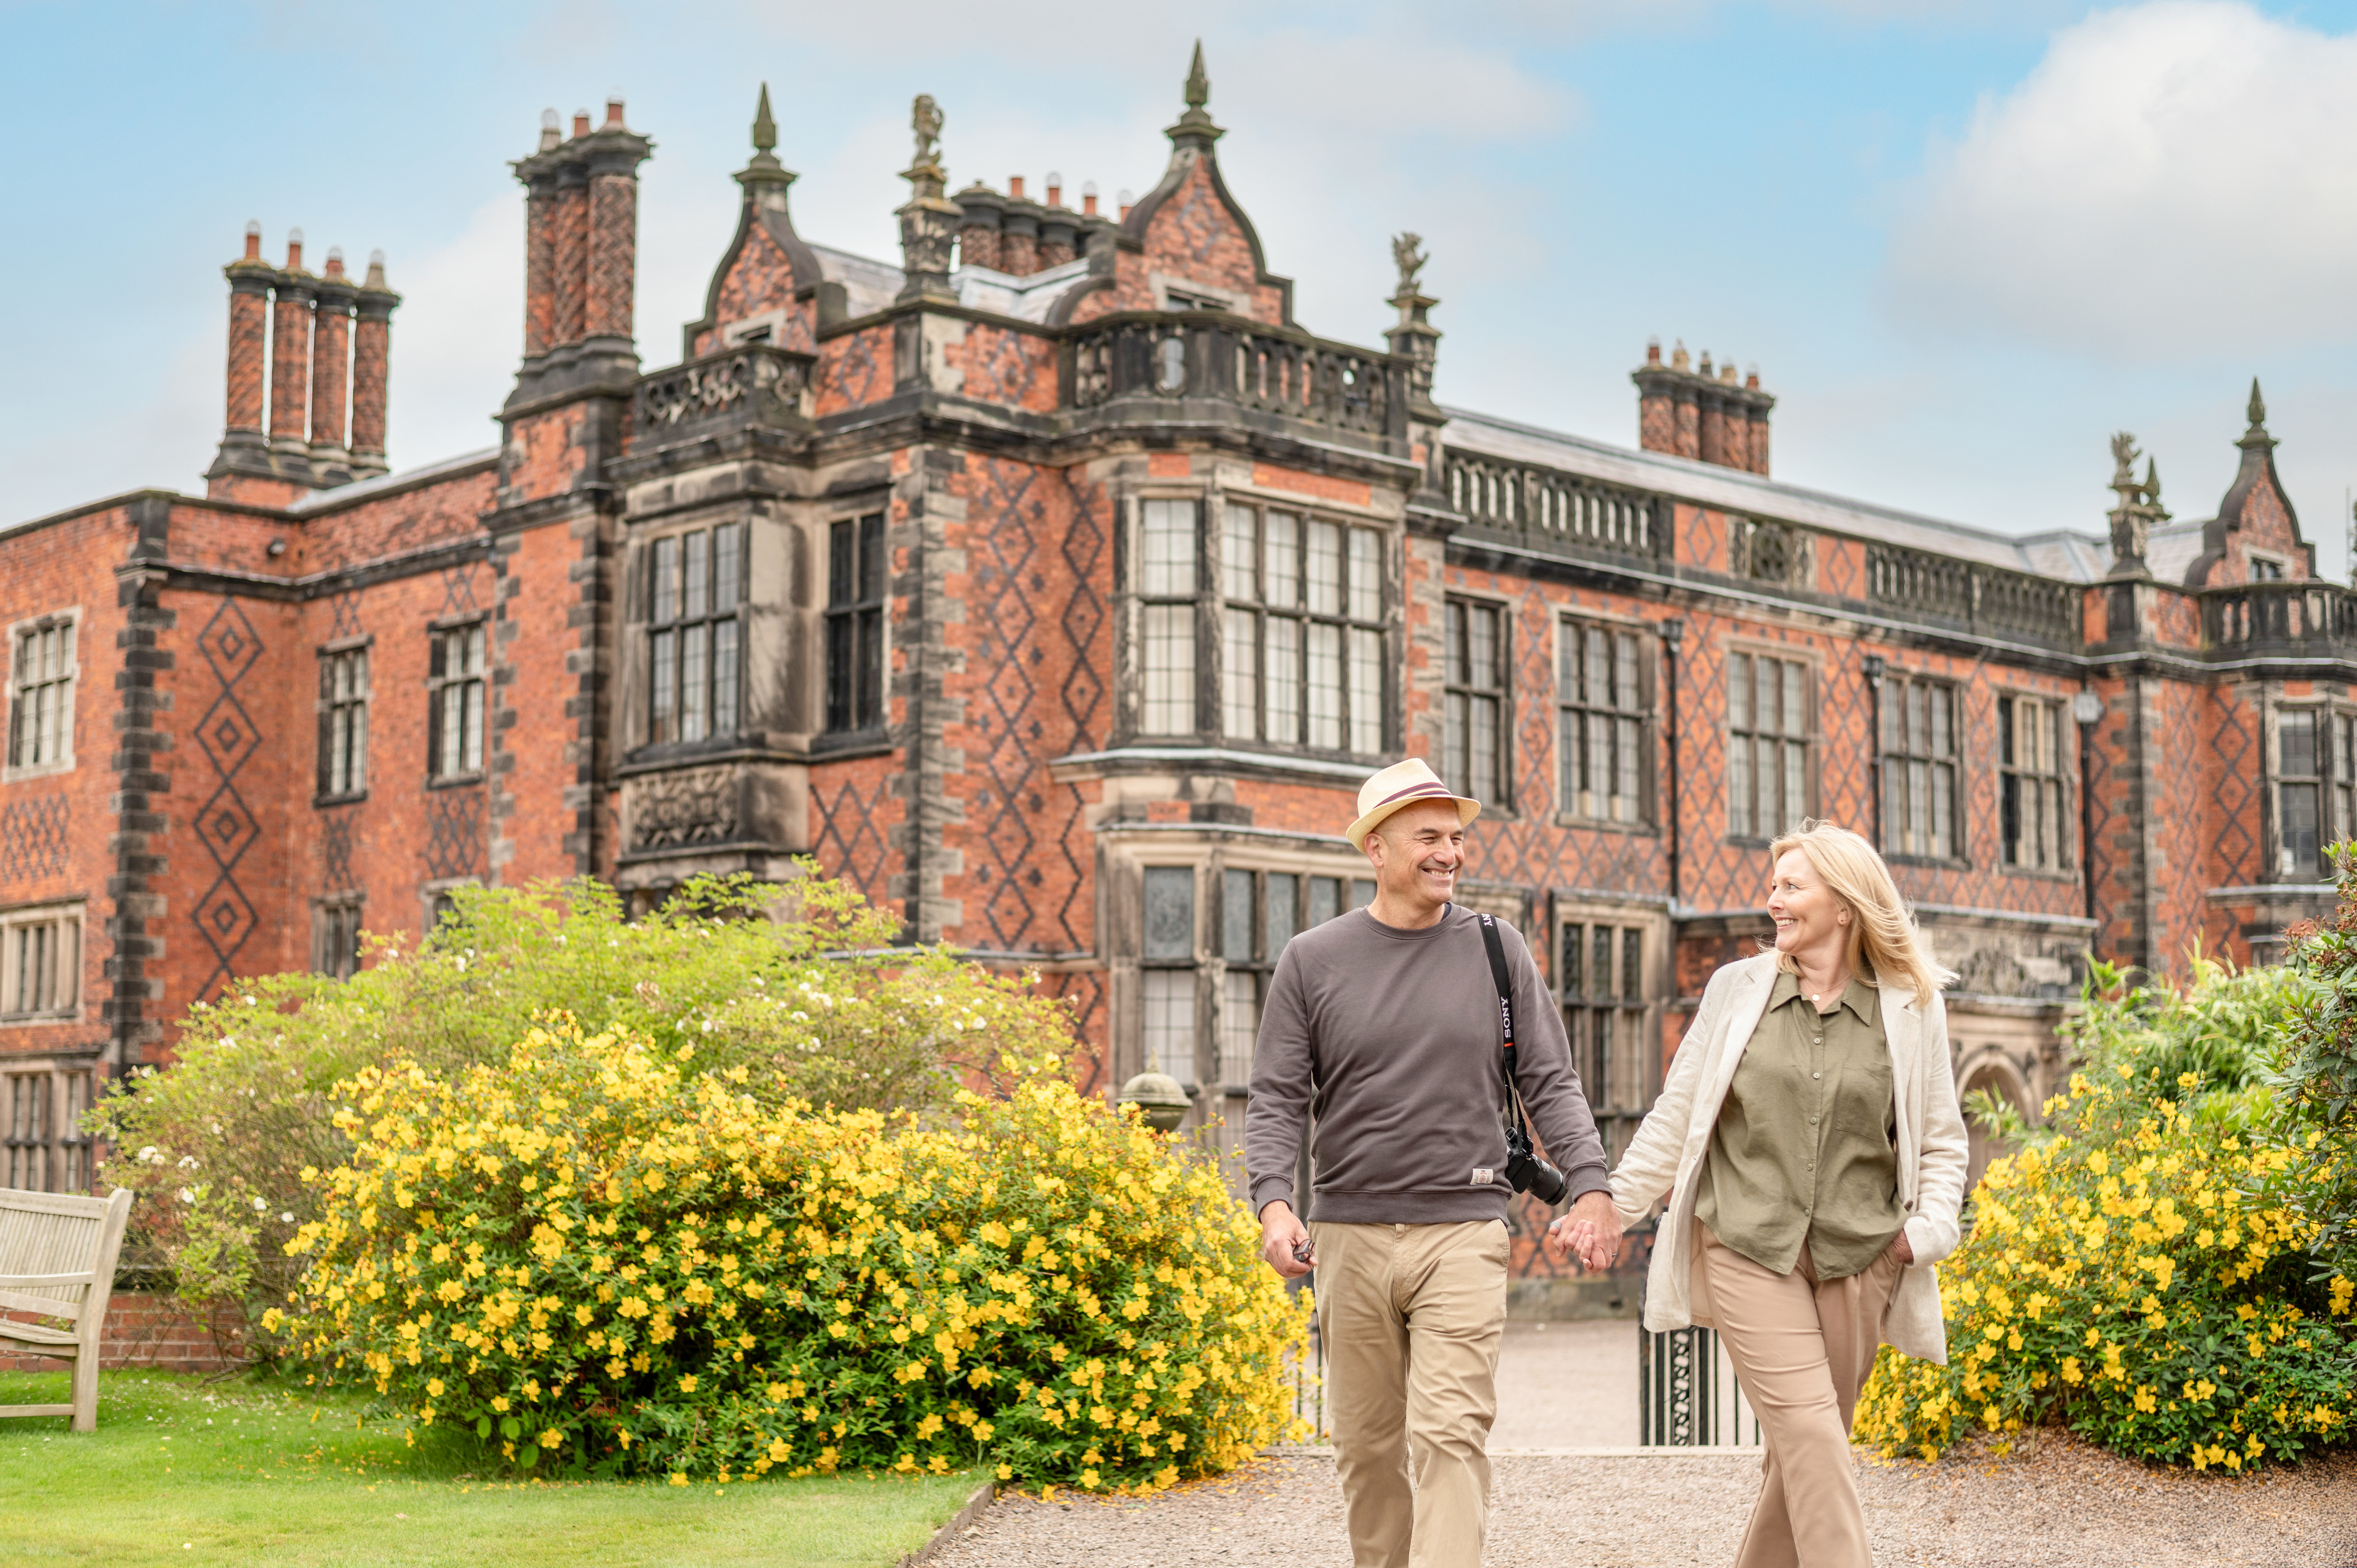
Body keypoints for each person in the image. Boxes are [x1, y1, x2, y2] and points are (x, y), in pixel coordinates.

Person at [1246, 757, 1620, 1568]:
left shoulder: (1497, 949)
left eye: (1456, 836)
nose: (1450, 851)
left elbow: (1549, 1079)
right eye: (1430, 836)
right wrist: (1275, 1202)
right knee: (1369, 1448)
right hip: (1349, 1232)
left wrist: (1591, 1184)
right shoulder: (1314, 959)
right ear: (1376, 848)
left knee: (1450, 1431)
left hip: (1465, 1225)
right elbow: (1277, 1093)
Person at [1565, 821, 1968, 1568]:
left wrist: (1925, 1233)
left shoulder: (1911, 1005)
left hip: (1862, 1257)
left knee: (1802, 1460)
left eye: (1791, 886)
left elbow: (1942, 1137)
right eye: (1774, 885)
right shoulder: (1736, 991)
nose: (1773, 900)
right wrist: (1613, 1206)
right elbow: (1678, 1113)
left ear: (1844, 905)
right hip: (1748, 1248)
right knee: (1814, 1437)